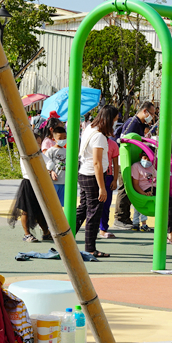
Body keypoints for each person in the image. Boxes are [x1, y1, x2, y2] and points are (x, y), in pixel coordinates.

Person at [75, 105, 117, 258]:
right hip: (93, 176)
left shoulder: (89, 128)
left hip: (84, 174)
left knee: (83, 209)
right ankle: (90, 248)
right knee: (94, 212)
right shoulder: (99, 136)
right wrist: (102, 187)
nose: (114, 124)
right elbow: (97, 163)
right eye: (114, 121)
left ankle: (66, 240)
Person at [114, 102, 155, 228]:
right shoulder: (133, 123)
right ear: (145, 111)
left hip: (130, 160)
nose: (152, 117)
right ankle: (120, 218)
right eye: (151, 114)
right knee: (125, 189)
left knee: (128, 188)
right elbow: (128, 142)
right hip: (125, 161)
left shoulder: (140, 124)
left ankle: (125, 217)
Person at [9, 126, 52, 243]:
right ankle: (27, 234)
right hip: (28, 184)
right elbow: (31, 170)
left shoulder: (40, 155)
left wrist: (50, 169)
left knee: (40, 211)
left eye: (39, 143)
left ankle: (46, 232)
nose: (38, 145)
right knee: (26, 211)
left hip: (39, 184)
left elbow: (50, 163)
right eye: (36, 142)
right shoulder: (25, 155)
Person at [44, 124, 68, 205]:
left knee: (62, 204)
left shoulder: (67, 151)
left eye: (64, 138)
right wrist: (51, 172)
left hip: (65, 182)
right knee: (52, 204)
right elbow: (46, 164)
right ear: (54, 139)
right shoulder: (50, 151)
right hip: (54, 183)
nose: (63, 140)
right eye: (60, 138)